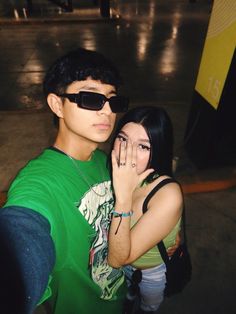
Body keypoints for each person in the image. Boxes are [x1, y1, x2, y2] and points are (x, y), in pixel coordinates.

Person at [0, 48, 130, 314]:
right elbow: (23, 235)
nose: (106, 110)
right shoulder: (39, 182)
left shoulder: (103, 161)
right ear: (57, 104)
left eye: (113, 101)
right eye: (91, 98)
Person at [107, 106, 183, 313]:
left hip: (150, 272)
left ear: (158, 149)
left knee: (148, 306)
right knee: (126, 295)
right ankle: (130, 295)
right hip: (122, 272)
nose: (127, 152)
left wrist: (123, 198)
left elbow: (117, 259)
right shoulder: (111, 169)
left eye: (143, 147)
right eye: (122, 139)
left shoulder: (168, 194)